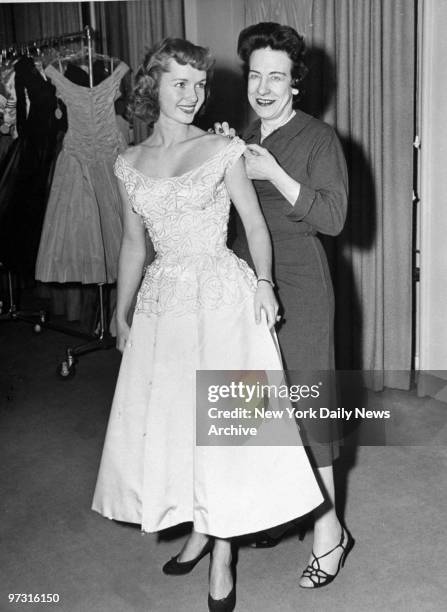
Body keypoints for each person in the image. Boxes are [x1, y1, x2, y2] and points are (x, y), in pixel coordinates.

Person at [91, 38, 323, 611]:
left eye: (200, 85)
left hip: (221, 295)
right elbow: (130, 245)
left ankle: (222, 550)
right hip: (165, 300)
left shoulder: (222, 148)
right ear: (153, 87)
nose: (193, 96)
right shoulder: (127, 163)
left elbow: (256, 226)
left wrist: (265, 285)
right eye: (180, 84)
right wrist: (120, 313)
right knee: (177, 424)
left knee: (223, 427)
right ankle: (198, 525)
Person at [214, 22, 353, 588]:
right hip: (245, 279)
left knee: (308, 406)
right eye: (255, 75)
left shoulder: (318, 138)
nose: (264, 87)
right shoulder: (244, 133)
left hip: (300, 281)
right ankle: (277, 506)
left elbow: (335, 219)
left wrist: (274, 172)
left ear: (296, 83)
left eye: (277, 76)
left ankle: (330, 533)